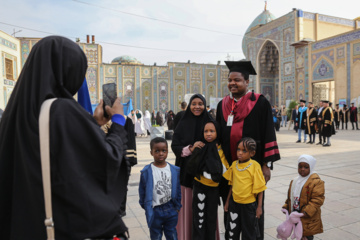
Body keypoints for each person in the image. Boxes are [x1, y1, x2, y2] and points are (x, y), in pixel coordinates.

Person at [0, 36, 129, 239]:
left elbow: (52, 150)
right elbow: (108, 159)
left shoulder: (13, 115)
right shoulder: (61, 110)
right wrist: (119, 121)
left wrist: (92, 125)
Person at [216, 61, 280, 240]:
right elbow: (219, 136)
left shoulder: (259, 103)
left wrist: (266, 165)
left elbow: (268, 133)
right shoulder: (223, 105)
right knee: (230, 207)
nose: (232, 83)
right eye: (229, 80)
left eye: (237, 80)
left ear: (247, 82)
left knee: (253, 210)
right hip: (229, 168)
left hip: (253, 168)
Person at [171, 94, 212, 240]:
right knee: (188, 209)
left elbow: (217, 143)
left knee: (205, 212)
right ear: (189, 105)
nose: (197, 106)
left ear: (204, 105)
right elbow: (175, 146)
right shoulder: (183, 123)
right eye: (193, 103)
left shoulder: (210, 122)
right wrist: (190, 148)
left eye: (200, 103)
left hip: (206, 176)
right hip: (186, 175)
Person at [187, 120, 228, 240]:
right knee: (198, 218)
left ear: (217, 132)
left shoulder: (219, 149)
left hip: (213, 190)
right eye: (206, 131)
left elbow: (225, 169)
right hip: (199, 187)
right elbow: (192, 166)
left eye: (212, 131)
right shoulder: (200, 147)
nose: (208, 134)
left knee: (211, 218)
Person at [223, 138, 267, 240]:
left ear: (252, 153)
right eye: (238, 149)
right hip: (234, 204)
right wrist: (227, 201)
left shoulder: (255, 166)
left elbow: (260, 188)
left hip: (249, 207)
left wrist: (259, 207)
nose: (240, 153)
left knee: (249, 233)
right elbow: (232, 185)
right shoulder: (234, 165)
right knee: (232, 231)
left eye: (244, 151)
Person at [139, 137, 181, 240]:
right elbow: (142, 192)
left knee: (172, 235)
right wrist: (147, 207)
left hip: (171, 209)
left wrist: (177, 207)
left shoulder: (174, 170)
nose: (161, 153)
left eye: (164, 150)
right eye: (157, 151)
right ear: (151, 152)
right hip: (155, 211)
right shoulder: (146, 172)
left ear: (167, 151)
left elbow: (178, 189)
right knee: (156, 236)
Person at [282, 155, 325, 240]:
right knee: (298, 234)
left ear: (311, 167)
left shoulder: (316, 182)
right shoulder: (294, 181)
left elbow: (317, 200)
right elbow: (290, 197)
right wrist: (286, 206)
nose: (302, 169)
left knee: (306, 235)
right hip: (296, 213)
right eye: (300, 166)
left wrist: (306, 212)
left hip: (307, 216)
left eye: (306, 167)